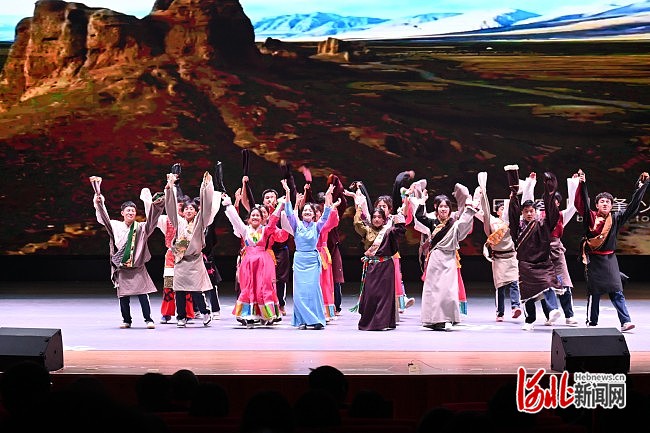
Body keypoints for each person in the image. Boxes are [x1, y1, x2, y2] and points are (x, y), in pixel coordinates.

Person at [575, 169, 649, 332]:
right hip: (593, 260)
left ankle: (625, 321)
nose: (605, 204)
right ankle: (592, 322)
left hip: (610, 260)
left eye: (608, 202)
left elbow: (632, 207)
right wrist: (582, 184)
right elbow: (581, 203)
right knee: (594, 293)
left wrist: (641, 187)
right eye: (602, 201)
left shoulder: (615, 218)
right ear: (596, 205)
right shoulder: (590, 217)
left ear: (611, 205)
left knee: (617, 290)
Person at [91, 176, 163, 329]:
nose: (131, 213)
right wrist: (99, 203)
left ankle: (148, 319)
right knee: (123, 296)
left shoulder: (141, 228)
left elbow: (152, 221)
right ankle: (126, 320)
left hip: (137, 267)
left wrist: (156, 204)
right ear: (122, 213)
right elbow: (103, 217)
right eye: (128, 210)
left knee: (143, 294)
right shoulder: (115, 225)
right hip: (123, 267)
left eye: (133, 211)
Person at [506, 166, 563, 331]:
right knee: (528, 294)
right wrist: (513, 195)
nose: (529, 214)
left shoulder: (543, 224)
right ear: (522, 213)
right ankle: (529, 320)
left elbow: (552, 213)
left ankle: (552, 310)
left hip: (543, 263)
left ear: (536, 211)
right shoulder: (517, 227)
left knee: (548, 284)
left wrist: (549, 191)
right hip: (526, 265)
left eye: (532, 211)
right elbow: (512, 212)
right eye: (526, 211)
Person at [415, 184, 477, 331]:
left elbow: (464, 225)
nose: (443, 209)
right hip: (435, 258)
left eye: (446, 206)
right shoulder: (432, 222)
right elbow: (419, 217)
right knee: (433, 289)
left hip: (449, 258)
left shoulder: (454, 224)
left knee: (448, 290)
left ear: (450, 209)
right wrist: (422, 201)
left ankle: (448, 318)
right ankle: (432, 319)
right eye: (441, 206)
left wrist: (470, 208)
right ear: (436, 209)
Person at [222, 189, 284, 327]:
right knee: (248, 287)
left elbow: (273, 220)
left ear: (262, 219)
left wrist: (280, 205)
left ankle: (267, 314)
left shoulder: (266, 230)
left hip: (264, 262)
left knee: (264, 287)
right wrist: (228, 205)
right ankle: (248, 315)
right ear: (249, 219)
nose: (255, 217)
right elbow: (235, 219)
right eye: (253, 215)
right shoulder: (245, 230)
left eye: (258, 215)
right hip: (248, 263)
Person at [164, 171, 218, 328]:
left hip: (194, 260)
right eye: (186, 208)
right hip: (180, 260)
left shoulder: (200, 223)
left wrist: (205, 187)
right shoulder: (179, 222)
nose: (188, 210)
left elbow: (206, 209)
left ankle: (205, 312)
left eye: (192, 209)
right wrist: (170, 187)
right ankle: (181, 317)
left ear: (196, 212)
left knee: (196, 290)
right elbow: (170, 208)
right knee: (179, 291)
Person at [283, 179, 333, 330]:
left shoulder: (317, 226)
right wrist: (287, 192)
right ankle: (302, 320)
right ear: (302, 212)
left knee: (313, 290)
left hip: (312, 261)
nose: (307, 212)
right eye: (305, 210)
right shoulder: (296, 225)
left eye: (310, 211)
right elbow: (288, 212)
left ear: (313, 214)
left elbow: (326, 214)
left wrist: (328, 195)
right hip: (300, 261)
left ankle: (316, 319)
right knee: (300, 292)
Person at [474, 172, 522, 322]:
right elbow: (479, 212)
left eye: (506, 209)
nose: (504, 210)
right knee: (500, 286)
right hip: (499, 258)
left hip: (511, 256)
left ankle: (515, 307)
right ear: (497, 211)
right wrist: (479, 194)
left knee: (514, 282)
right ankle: (500, 312)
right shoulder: (492, 221)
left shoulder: (513, 222)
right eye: (502, 208)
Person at [353, 201, 406, 331]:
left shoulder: (389, 231)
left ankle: (382, 323)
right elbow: (357, 223)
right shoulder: (367, 230)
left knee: (385, 296)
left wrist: (400, 215)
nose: (376, 219)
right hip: (372, 266)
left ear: (384, 219)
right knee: (370, 295)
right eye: (374, 217)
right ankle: (368, 322)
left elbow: (400, 230)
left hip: (386, 266)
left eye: (379, 217)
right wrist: (359, 207)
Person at [540, 175, 580, 327]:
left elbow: (574, 205)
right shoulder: (537, 216)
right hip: (541, 253)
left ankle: (569, 316)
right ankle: (549, 315)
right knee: (544, 285)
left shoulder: (562, 215)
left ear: (558, 203)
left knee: (564, 284)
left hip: (557, 253)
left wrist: (574, 184)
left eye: (555, 201)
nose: (552, 203)